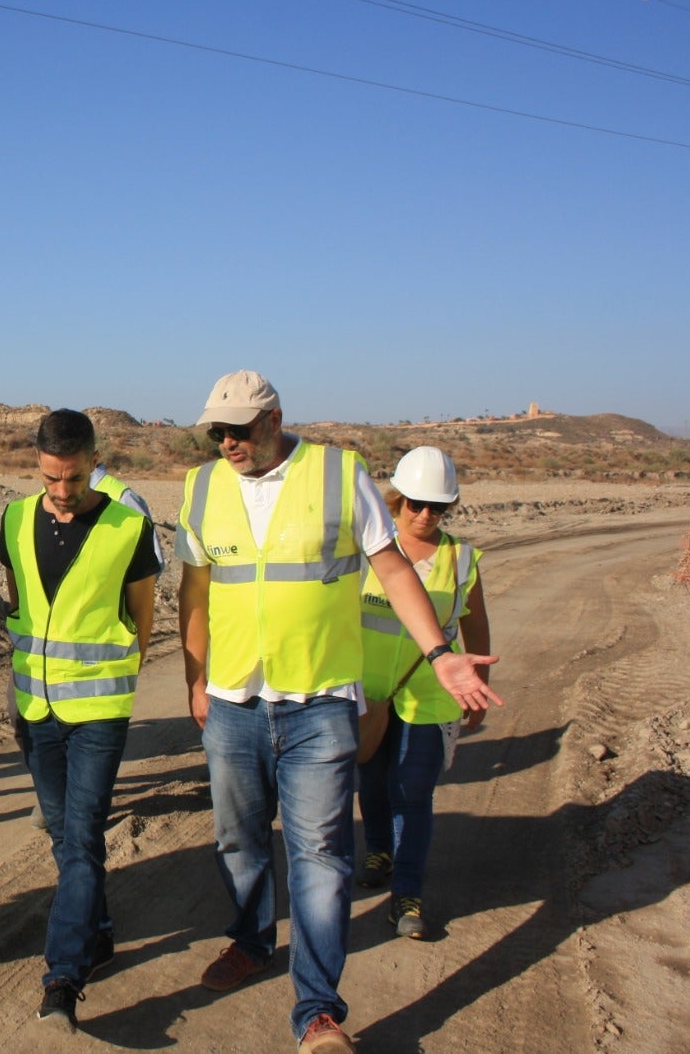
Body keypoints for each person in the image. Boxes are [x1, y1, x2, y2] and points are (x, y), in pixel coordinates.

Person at [176, 371, 502, 1054]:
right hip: (234, 703)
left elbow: (390, 567)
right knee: (238, 842)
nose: (227, 442)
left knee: (321, 857)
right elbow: (196, 590)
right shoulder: (202, 486)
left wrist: (441, 651)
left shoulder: (337, 473)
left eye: (239, 429)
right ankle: (250, 942)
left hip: (319, 703)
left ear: (274, 420)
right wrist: (195, 679)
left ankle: (318, 1013)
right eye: (217, 431)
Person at [0, 410, 157, 1033]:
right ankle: (99, 930)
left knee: (84, 836)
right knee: (65, 838)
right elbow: (24, 603)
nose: (61, 492)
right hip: (35, 709)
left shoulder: (128, 526)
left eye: (73, 478)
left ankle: (63, 979)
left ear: (95, 460)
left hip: (98, 712)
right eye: (49, 479)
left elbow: (143, 619)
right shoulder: (14, 518)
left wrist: (115, 675)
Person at [355, 446, 491, 942]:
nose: (426, 515)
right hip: (369, 692)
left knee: (412, 794)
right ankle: (377, 851)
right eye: (416, 503)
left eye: (439, 507)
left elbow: (476, 626)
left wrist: (480, 689)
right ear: (397, 499)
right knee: (370, 777)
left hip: (430, 697)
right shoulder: (368, 550)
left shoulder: (462, 559)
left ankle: (407, 895)